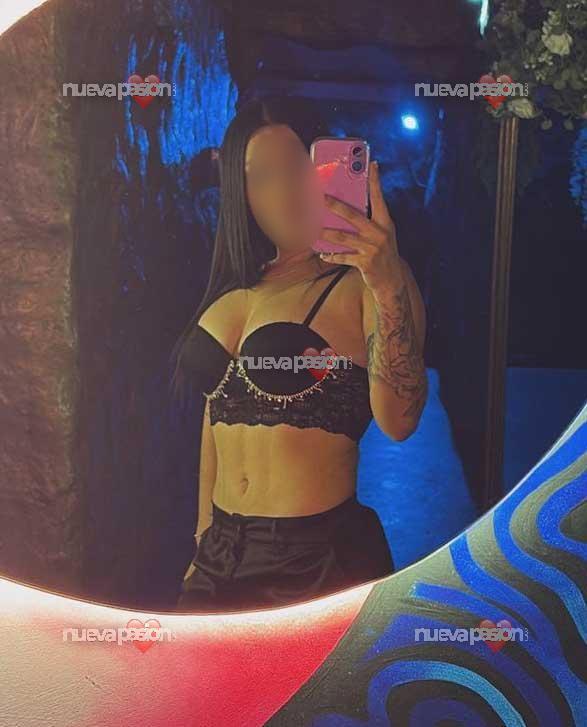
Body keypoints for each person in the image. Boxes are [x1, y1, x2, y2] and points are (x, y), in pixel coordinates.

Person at [170, 96, 428, 612]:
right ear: (241, 194)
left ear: (324, 170)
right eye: (260, 176)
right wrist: (202, 537)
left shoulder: (366, 283)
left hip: (315, 565)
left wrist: (385, 280)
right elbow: (215, 414)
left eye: (295, 168)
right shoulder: (241, 284)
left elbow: (400, 420)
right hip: (218, 558)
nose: (283, 191)